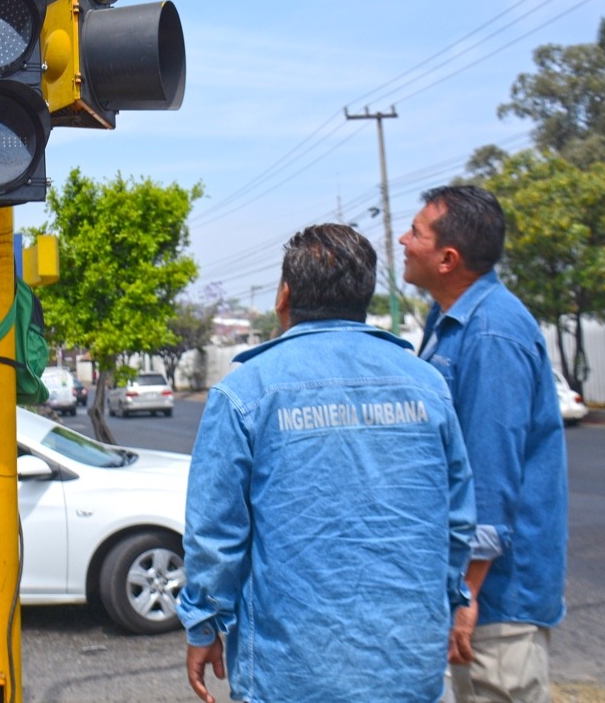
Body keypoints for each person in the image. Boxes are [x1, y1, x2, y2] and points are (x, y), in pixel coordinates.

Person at [179, 223, 475, 703]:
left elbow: (215, 533)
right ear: (364, 295)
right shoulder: (427, 385)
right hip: (408, 667)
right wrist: (446, 602)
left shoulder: (246, 391)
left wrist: (204, 624)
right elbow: (457, 521)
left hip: (290, 674)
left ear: (285, 296)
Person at [400, 185, 568, 703]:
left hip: (495, 600)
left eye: (416, 233)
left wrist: (467, 593)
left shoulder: (493, 331)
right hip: (467, 586)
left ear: (448, 259)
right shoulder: (450, 319)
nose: (403, 240)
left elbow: (491, 472)